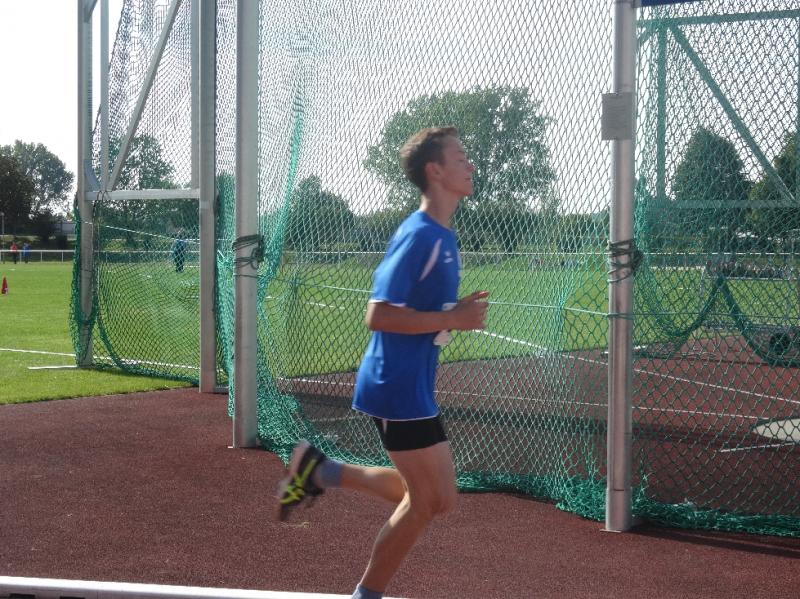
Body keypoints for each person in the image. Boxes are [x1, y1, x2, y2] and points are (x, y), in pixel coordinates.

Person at [275, 126, 489, 599]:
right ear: (435, 171)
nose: (470, 165)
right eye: (460, 158)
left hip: (413, 385)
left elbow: (422, 312)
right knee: (425, 503)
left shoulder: (444, 236)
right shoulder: (419, 235)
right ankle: (365, 594)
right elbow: (378, 314)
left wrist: (453, 316)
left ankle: (319, 470)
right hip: (395, 386)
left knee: (439, 499)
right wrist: (451, 317)